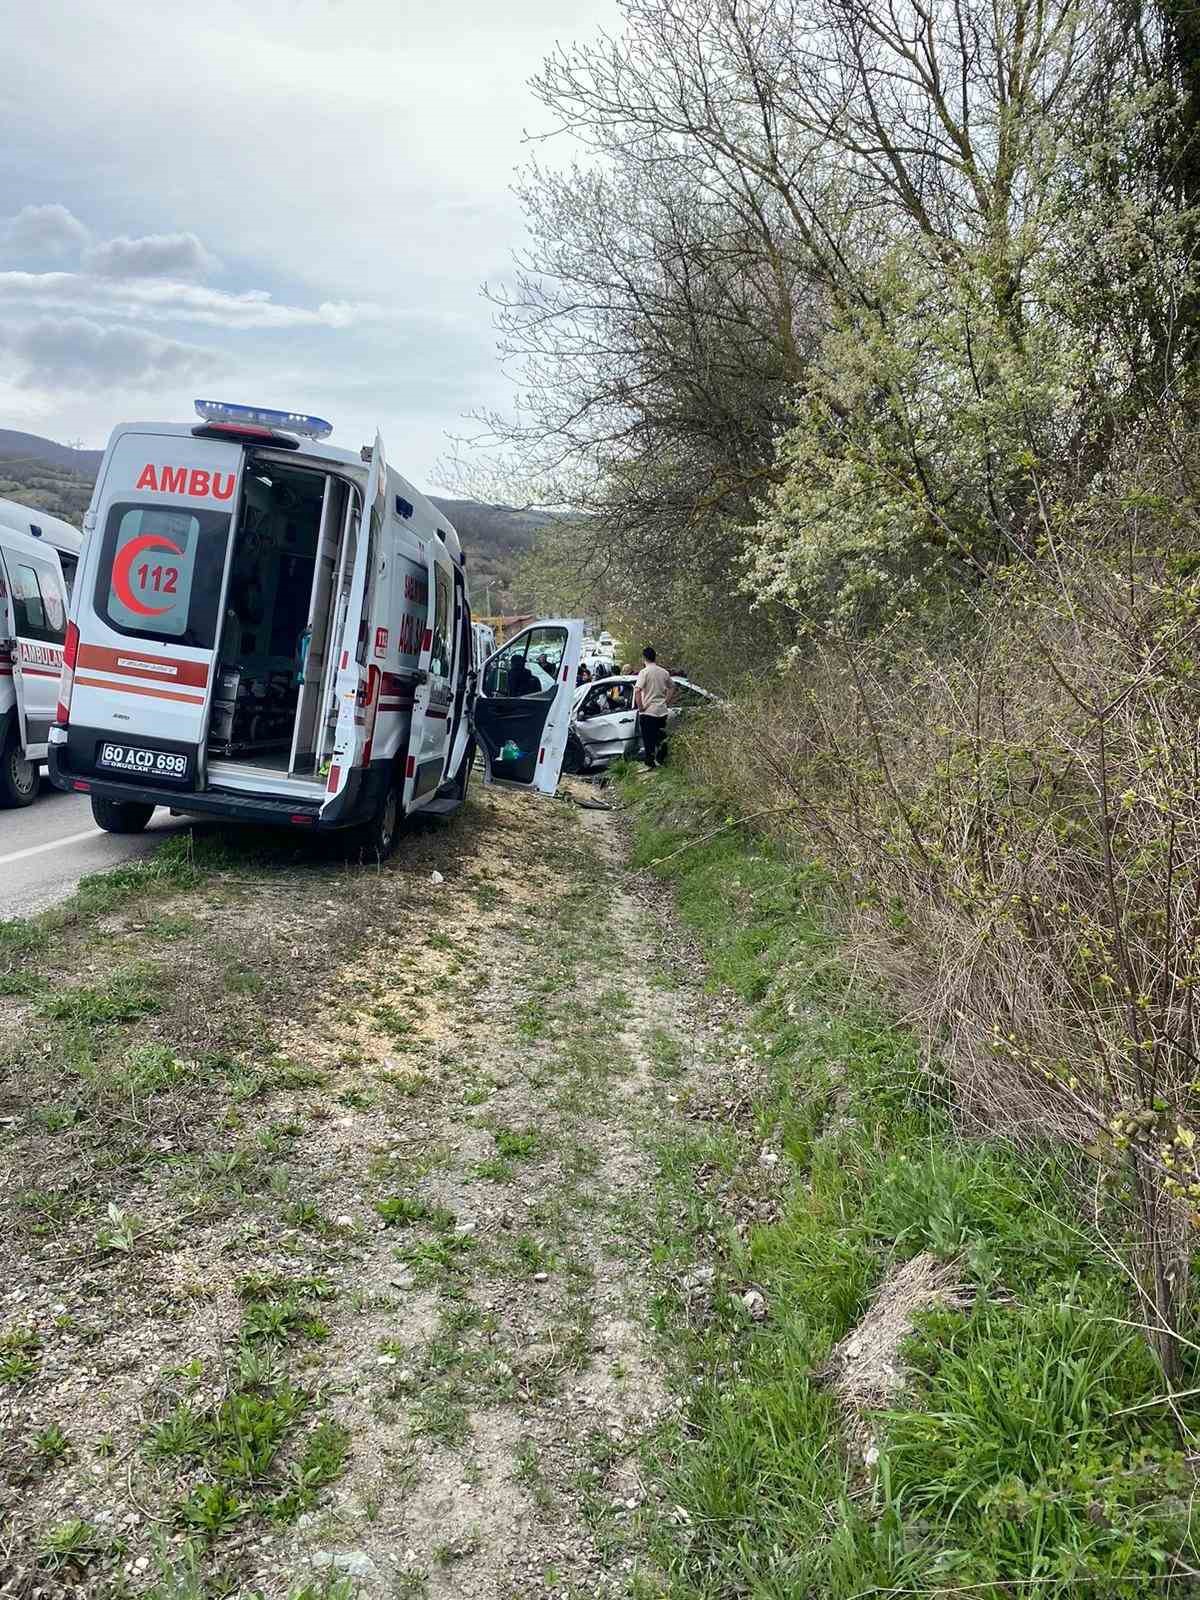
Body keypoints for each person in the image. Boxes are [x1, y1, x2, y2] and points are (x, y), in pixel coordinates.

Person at [633, 646, 674, 768]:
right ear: (655, 657)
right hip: (661, 711)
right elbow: (672, 687)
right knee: (661, 738)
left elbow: (637, 691)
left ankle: (650, 763)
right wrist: (666, 700)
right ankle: (661, 760)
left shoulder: (644, 672)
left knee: (648, 740)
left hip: (648, 712)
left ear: (644, 658)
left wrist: (641, 707)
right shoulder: (663, 672)